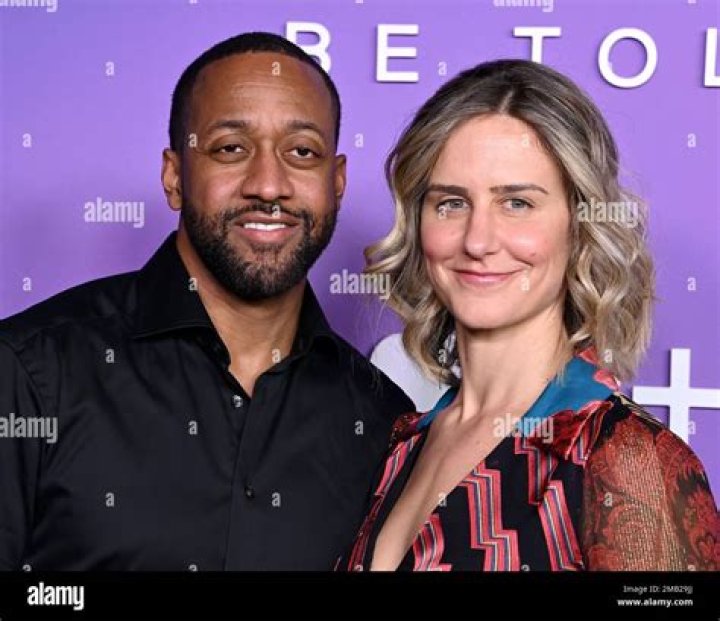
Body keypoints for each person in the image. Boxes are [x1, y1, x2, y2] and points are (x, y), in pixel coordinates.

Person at [0, 32, 414, 570]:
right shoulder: (30, 372)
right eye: (230, 149)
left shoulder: (382, 420)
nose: (269, 185)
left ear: (336, 183)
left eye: (302, 152)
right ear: (174, 177)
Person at [338, 59, 719, 571]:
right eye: (451, 203)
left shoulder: (627, 458)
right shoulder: (399, 445)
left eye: (517, 203)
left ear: (580, 227)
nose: (477, 241)